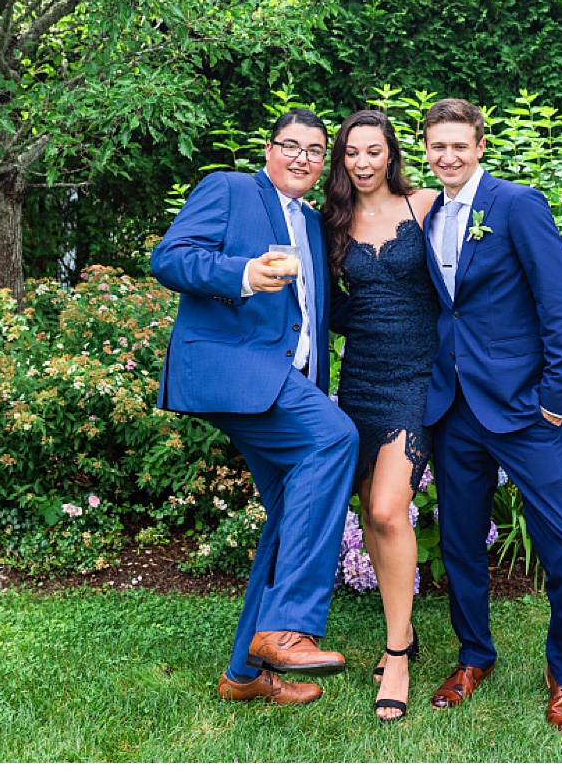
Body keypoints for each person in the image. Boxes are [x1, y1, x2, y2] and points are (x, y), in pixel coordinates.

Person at [150, 108, 359, 706]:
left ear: (324, 165)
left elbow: (323, 313)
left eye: (316, 151)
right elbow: (170, 258)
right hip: (233, 368)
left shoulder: (317, 227)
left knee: (294, 510)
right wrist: (240, 272)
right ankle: (286, 627)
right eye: (290, 145)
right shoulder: (232, 188)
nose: (303, 158)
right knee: (335, 438)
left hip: (288, 383)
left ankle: (244, 675)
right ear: (268, 150)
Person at [417, 98, 562, 734]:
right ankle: (473, 657)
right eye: (438, 146)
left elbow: (560, 303)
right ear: (427, 150)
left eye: (459, 144)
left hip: (525, 408)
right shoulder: (428, 212)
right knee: (461, 543)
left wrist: (555, 397)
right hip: (454, 409)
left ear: (480, 146)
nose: (449, 156)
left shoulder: (517, 205)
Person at [322, 109, 441, 722]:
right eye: (351, 153)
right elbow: (324, 300)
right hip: (360, 377)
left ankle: (396, 653)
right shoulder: (333, 222)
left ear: (391, 154)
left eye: (373, 152)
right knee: (370, 509)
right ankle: (408, 627)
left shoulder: (426, 206)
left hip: (416, 378)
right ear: (341, 160)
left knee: (391, 509)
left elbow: (460, 282)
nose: (362, 163)